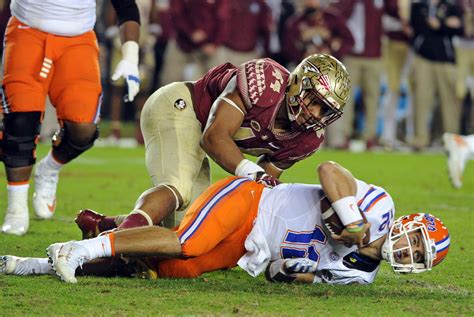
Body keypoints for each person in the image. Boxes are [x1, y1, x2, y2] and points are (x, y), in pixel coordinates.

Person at [0, 161, 450, 285]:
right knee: (187, 242)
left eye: (416, 257)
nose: (405, 251)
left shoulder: (359, 277)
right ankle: (84, 247)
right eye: (414, 242)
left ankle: (39, 263)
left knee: (168, 267)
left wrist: (293, 274)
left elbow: (285, 277)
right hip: (254, 200)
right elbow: (330, 170)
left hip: (250, 249)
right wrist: (350, 218)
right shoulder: (381, 207)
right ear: (408, 224)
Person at [83, 53, 351, 232]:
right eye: (314, 101)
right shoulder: (265, 81)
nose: (315, 114)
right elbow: (214, 138)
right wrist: (251, 171)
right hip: (181, 107)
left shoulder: (307, 140)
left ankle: (102, 226)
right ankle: (115, 245)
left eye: (325, 110)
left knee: (189, 227)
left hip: (199, 131)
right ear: (296, 83)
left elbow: (261, 187)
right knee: (178, 188)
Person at [0, 0, 141, 235]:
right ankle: (15, 208)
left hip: (78, 40)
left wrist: (131, 57)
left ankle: (50, 168)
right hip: (27, 31)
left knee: (83, 130)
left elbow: (126, 5)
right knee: (20, 120)